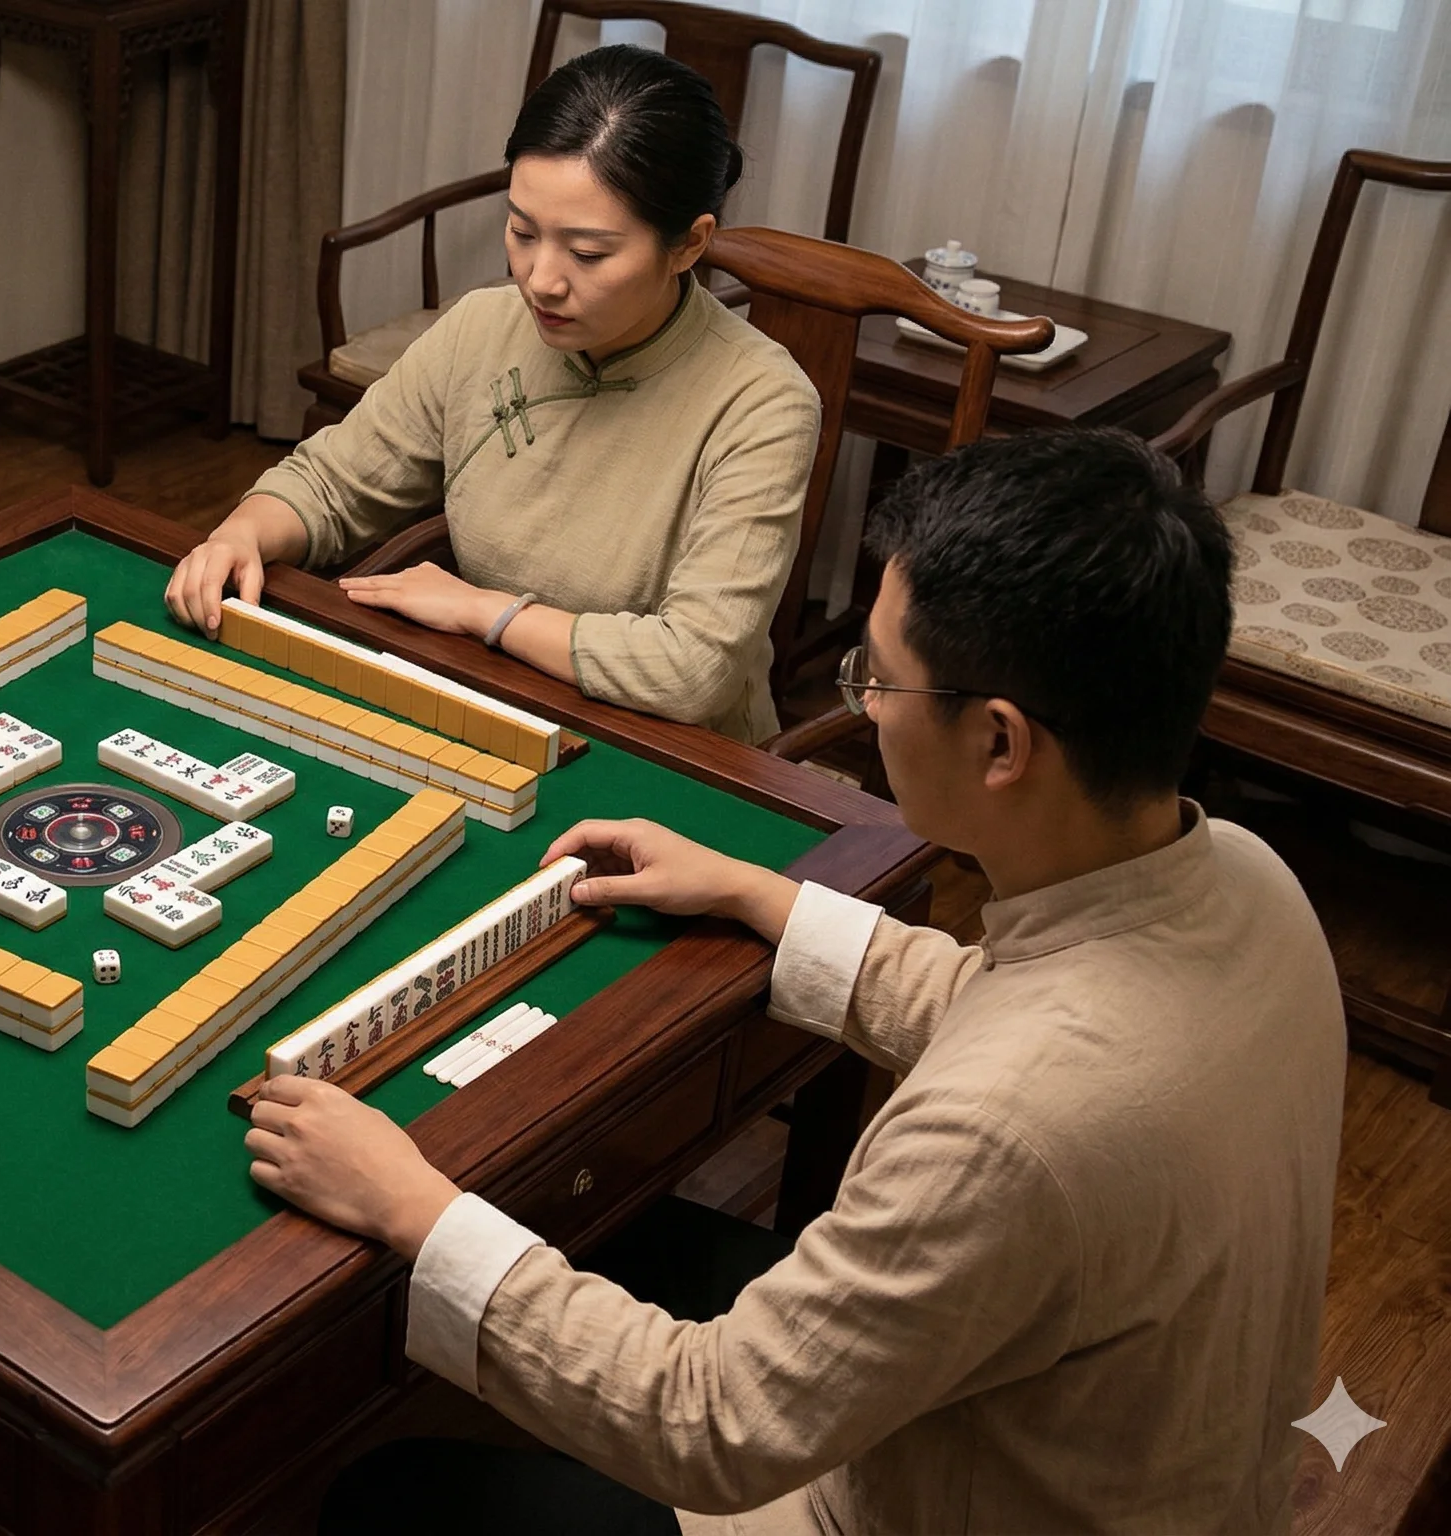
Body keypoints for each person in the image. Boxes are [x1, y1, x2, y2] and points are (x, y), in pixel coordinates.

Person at [245, 428, 1346, 1533]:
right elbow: (1010, 1006)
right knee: (614, 1232)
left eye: (878, 678)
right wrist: (756, 894)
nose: (863, 705)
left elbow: (708, 1426)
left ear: (1001, 745)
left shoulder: (1007, 1135)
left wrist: (411, 1203)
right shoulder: (1250, 880)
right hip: (1161, 1472)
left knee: (383, 1493)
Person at [167, 45, 817, 744]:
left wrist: (486, 613)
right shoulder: (483, 327)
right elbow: (332, 482)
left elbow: (694, 670)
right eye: (522, 231)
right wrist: (244, 533)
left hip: (664, 753)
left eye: (588, 253)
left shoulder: (762, 404)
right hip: (487, 701)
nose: (540, 280)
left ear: (689, 244)